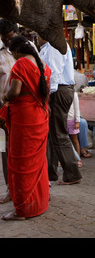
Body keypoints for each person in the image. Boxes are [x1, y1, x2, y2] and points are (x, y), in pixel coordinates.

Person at [0, 36, 51, 220]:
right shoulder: (43, 65)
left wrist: (5, 98)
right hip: (40, 116)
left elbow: (14, 92)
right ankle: (39, 203)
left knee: (21, 164)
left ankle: (22, 210)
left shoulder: (21, 64)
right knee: (37, 162)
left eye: (13, 53)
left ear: (17, 51)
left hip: (24, 119)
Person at [38, 36, 82, 186]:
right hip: (59, 91)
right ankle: (51, 173)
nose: (36, 38)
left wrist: (48, 96)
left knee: (58, 134)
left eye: (38, 35)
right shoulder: (47, 48)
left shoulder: (54, 46)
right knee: (52, 134)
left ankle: (72, 173)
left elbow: (54, 73)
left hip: (59, 91)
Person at [0, 20, 18, 204]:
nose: (8, 43)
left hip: (24, 109)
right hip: (2, 109)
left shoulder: (28, 51)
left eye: (10, 38)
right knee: (5, 149)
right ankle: (10, 189)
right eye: (4, 40)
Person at [67, 92, 81, 166]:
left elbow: (77, 108)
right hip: (63, 119)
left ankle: (78, 159)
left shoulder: (74, 93)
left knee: (74, 139)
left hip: (71, 119)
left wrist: (77, 121)